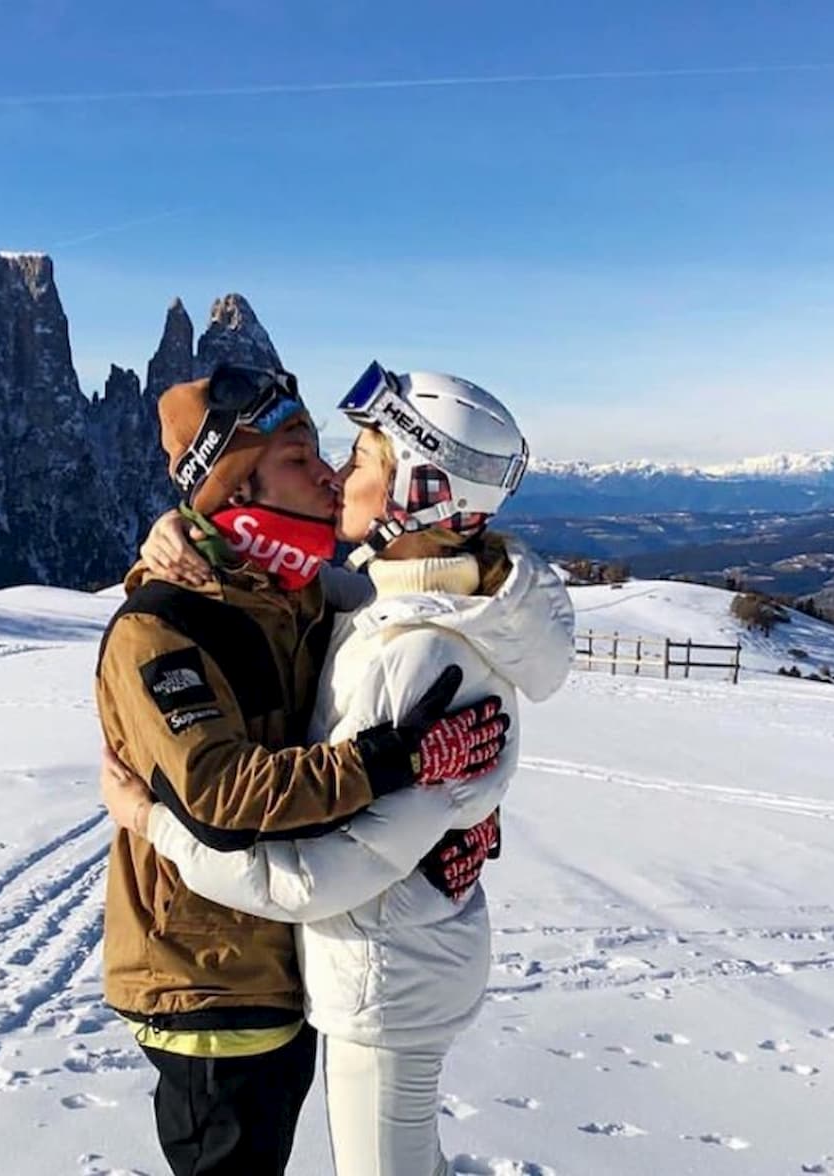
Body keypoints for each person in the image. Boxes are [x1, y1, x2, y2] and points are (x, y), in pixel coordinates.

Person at [104, 362, 575, 1176]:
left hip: (327, 960)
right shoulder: (205, 619)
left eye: (352, 457)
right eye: (307, 457)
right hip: (216, 976)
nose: (332, 473)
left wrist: (431, 798)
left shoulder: (347, 613)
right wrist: (172, 533)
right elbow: (222, 795)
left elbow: (424, 601)